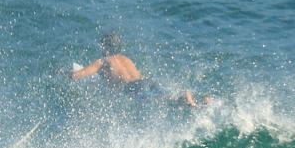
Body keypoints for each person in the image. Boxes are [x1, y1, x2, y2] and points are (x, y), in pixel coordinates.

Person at [71, 32, 210, 107]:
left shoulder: (103, 61)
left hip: (132, 88)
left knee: (160, 100)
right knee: (165, 93)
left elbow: (77, 75)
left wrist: (62, 73)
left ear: (104, 47)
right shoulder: (126, 59)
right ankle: (201, 100)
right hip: (145, 81)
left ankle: (183, 95)